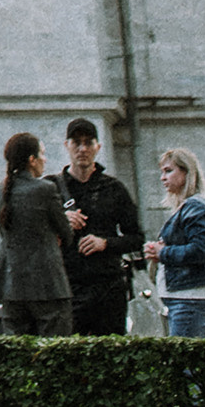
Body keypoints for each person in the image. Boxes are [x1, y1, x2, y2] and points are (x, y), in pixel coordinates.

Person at [59, 116, 144, 336]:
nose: (82, 149)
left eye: (88, 142)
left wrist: (105, 243)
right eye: (76, 142)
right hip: (68, 285)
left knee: (111, 353)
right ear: (67, 146)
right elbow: (35, 234)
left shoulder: (114, 189)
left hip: (108, 287)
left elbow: (136, 237)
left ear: (98, 147)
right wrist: (61, 221)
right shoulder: (52, 189)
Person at [0, 132, 72, 338]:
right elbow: (66, 233)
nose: (45, 160)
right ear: (32, 160)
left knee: (16, 350)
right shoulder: (45, 189)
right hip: (48, 283)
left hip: (11, 284)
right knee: (54, 349)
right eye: (42, 154)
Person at [145, 147, 205, 336]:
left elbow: (200, 249)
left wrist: (162, 252)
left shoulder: (194, 207)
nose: (163, 178)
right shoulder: (189, 207)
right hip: (185, 298)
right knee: (183, 362)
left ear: (187, 172)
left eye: (169, 171)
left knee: (182, 364)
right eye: (162, 172)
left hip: (190, 299)